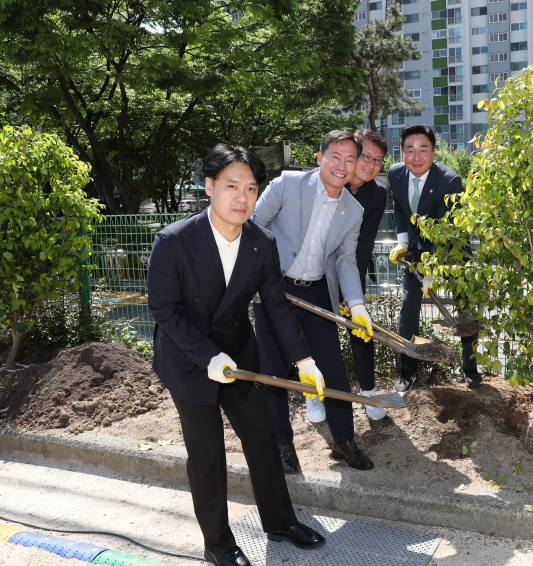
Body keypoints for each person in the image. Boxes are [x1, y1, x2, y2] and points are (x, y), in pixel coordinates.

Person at [147, 144, 326, 566]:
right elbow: (164, 310)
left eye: (250, 187)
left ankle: (280, 522)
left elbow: (277, 306)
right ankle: (219, 545)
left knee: (262, 438)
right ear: (209, 187)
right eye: (232, 186)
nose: (242, 197)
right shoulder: (173, 241)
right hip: (186, 359)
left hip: (238, 352)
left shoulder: (261, 243)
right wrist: (207, 355)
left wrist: (304, 361)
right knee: (207, 453)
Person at [252, 130, 376, 473]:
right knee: (275, 371)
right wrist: (261, 280)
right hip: (274, 290)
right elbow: (252, 227)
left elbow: (346, 261)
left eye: (351, 159)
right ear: (320, 157)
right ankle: (282, 445)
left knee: (333, 370)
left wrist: (358, 305)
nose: (342, 165)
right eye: (335, 156)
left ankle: (343, 441)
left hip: (316, 292)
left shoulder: (353, 210)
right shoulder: (286, 185)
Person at [387, 124, 481, 392]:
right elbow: (399, 208)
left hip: (451, 252)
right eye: (410, 150)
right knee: (409, 308)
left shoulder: (450, 181)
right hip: (414, 252)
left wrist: (431, 272)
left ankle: (470, 369)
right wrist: (402, 242)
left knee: (465, 310)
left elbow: (446, 230)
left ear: (434, 151)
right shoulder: (395, 174)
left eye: (423, 149)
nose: (416, 156)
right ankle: (407, 370)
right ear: (402, 152)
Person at [339, 129, 389, 420]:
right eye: (366, 156)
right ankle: (313, 395)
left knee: (360, 328)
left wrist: (353, 293)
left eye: (378, 160)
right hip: (313, 268)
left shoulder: (376, 194)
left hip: (348, 267)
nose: (371, 164)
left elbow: (364, 244)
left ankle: (368, 393)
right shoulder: (333, 182)